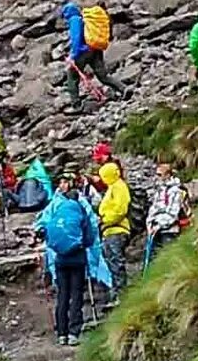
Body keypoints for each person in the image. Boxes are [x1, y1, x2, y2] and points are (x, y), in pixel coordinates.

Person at [37, 172, 100, 345]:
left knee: (62, 295)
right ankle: (74, 332)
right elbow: (90, 235)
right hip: (77, 257)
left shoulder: (58, 208)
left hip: (60, 258)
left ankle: (61, 333)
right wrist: (85, 246)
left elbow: (47, 230)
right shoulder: (80, 210)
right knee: (76, 293)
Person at [90, 144, 133, 305]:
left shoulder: (119, 187)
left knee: (116, 261)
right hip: (108, 230)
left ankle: (121, 294)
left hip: (117, 229)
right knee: (110, 261)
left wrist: (105, 219)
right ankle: (115, 294)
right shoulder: (111, 188)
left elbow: (121, 208)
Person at [58, 0, 122, 105]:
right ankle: (123, 89)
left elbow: (76, 38)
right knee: (103, 76)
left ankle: (76, 104)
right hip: (96, 48)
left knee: (72, 75)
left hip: (84, 51)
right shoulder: (84, 19)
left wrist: (73, 55)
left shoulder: (74, 20)